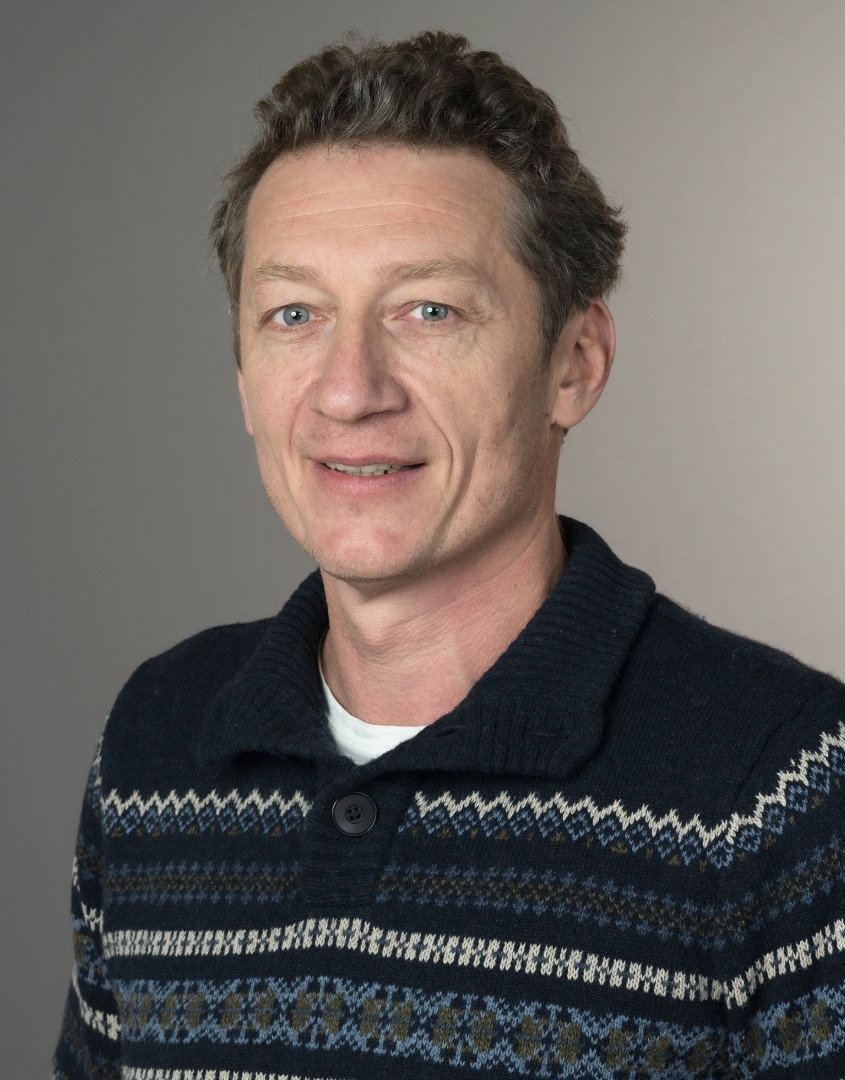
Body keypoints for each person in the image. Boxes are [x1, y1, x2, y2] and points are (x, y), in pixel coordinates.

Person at [55, 30, 845, 1080]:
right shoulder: (155, 743)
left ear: (573, 365)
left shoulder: (789, 787)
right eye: (294, 315)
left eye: (428, 310)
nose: (349, 390)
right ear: (243, 376)